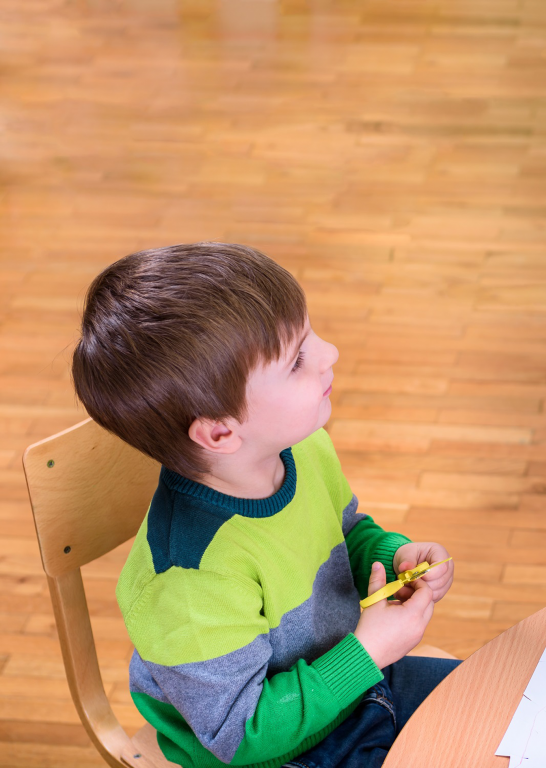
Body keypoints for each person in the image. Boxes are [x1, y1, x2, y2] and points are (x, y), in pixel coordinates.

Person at [71, 243, 457, 768]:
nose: (330, 353)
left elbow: (345, 535)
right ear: (222, 432)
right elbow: (242, 735)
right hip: (273, 751)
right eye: (297, 359)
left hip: (349, 682)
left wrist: (393, 556)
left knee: (502, 702)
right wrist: (366, 654)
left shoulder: (299, 444)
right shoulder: (188, 582)